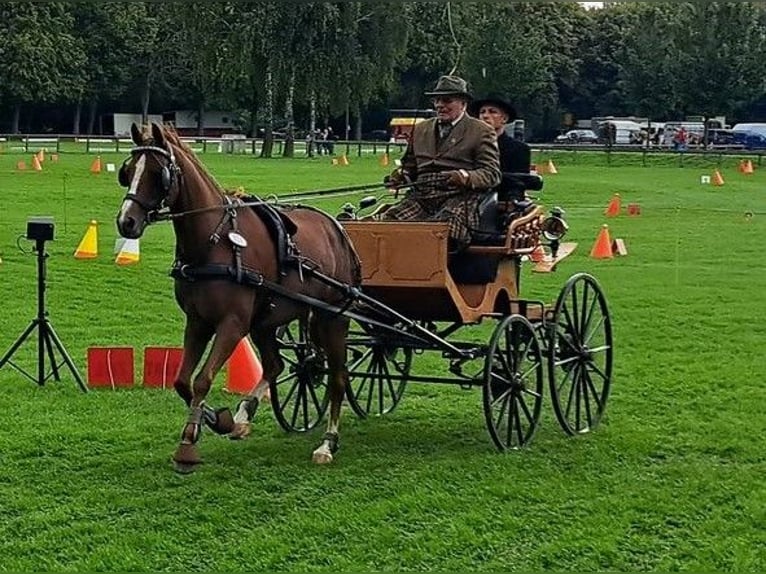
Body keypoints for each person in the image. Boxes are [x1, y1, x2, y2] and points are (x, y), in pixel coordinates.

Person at [383, 75, 501, 251]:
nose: (440, 105)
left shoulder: (481, 131)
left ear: (463, 103)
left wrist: (465, 176)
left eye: (447, 100)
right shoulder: (421, 129)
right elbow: (410, 168)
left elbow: (492, 174)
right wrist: (400, 177)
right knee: (388, 223)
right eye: (436, 100)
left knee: (440, 228)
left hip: (460, 196)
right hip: (422, 196)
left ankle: (435, 275)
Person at [472, 94, 531, 201]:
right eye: (482, 112)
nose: (485, 116)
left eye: (492, 112)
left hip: (501, 203)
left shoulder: (518, 149)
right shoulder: (468, 144)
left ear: (504, 119)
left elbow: (518, 183)